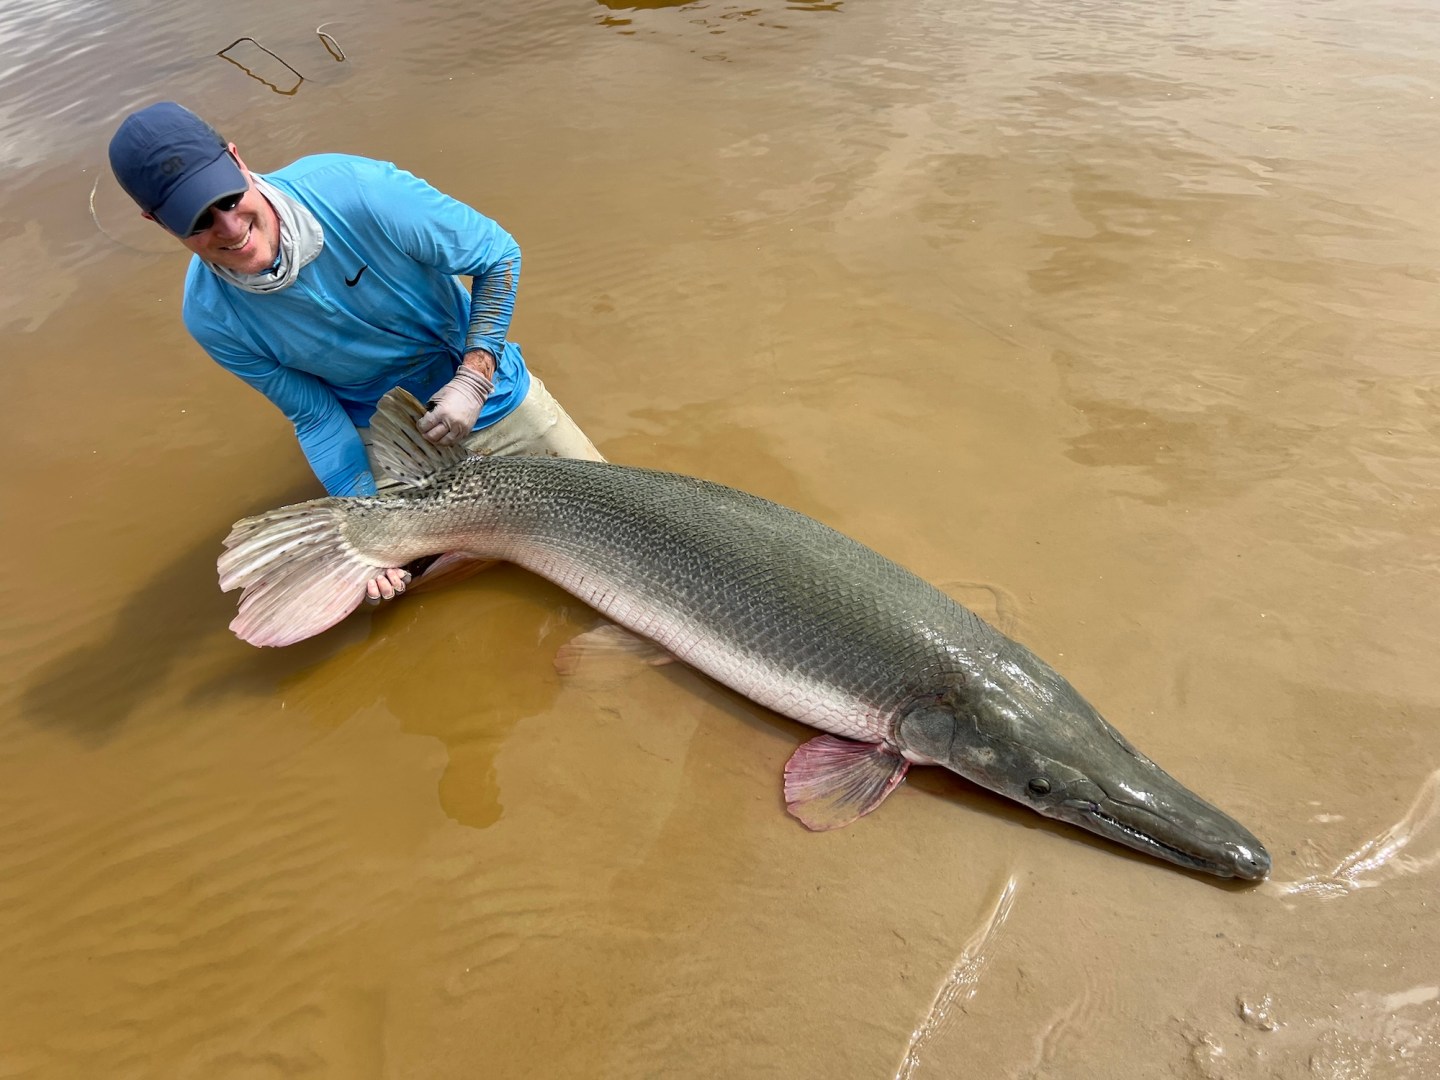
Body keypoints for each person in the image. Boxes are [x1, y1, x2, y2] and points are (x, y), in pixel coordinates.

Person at [108, 101, 603, 603]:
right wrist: (360, 526)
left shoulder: (359, 191)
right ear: (156, 221)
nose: (231, 228)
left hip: (490, 392)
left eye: (229, 199)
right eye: (198, 220)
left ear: (237, 160)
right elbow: (315, 415)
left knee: (611, 523)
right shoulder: (211, 317)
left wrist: (475, 376)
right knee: (386, 598)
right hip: (394, 440)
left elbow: (498, 255)